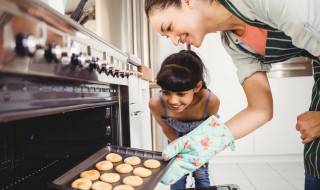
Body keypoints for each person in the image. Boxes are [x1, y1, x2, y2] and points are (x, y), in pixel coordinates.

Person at [144, 0, 320, 189]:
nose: (174, 40)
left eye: (169, 27)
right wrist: (206, 143)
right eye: (166, 36)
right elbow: (261, 109)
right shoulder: (234, 44)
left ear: (188, 2)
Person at [149, 50, 220, 189]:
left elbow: (209, 130)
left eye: (181, 93)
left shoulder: (210, 102)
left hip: (201, 142)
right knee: (176, 176)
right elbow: (166, 128)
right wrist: (179, 150)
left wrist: (202, 153)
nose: (173, 101)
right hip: (175, 140)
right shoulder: (156, 104)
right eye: (166, 92)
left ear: (197, 87)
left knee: (201, 173)